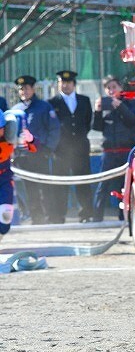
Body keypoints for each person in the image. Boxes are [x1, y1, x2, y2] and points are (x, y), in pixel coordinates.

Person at [11, 75, 60, 225]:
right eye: (21, 89)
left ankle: (51, 217)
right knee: (29, 189)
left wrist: (48, 149)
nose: (24, 91)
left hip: (40, 154)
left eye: (26, 88)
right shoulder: (15, 110)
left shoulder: (44, 107)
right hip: (23, 156)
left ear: (33, 89)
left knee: (46, 187)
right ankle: (36, 218)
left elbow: (54, 129)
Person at [92, 75, 135, 222]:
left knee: (124, 186)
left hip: (125, 151)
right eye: (108, 88)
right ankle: (96, 218)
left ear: (120, 88)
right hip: (108, 152)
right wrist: (97, 111)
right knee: (102, 185)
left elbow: (133, 121)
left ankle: (125, 217)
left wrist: (119, 106)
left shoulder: (130, 102)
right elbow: (96, 127)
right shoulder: (105, 105)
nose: (111, 91)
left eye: (114, 87)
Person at [47, 70, 94, 223]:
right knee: (60, 184)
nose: (65, 85)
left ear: (74, 84)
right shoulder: (52, 102)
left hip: (80, 148)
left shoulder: (84, 100)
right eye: (62, 82)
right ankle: (59, 215)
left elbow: (87, 122)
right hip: (61, 150)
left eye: (68, 82)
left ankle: (86, 214)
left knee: (83, 182)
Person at [0, 111, 36, 241]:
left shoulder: (11, 135)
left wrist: (29, 138)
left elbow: (33, 147)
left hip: (3, 179)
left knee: (5, 217)